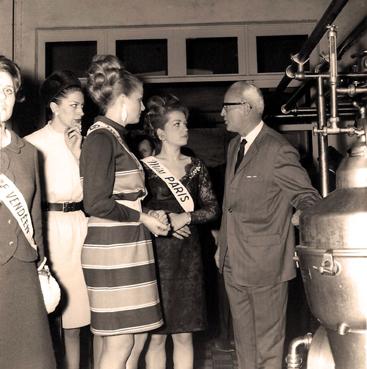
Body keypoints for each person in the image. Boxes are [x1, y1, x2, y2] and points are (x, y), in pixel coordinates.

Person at [215, 81, 321, 369]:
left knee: (268, 347)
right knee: (244, 344)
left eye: (227, 106)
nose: (222, 112)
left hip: (267, 264)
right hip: (232, 261)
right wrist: (222, 246)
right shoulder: (235, 146)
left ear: (247, 107)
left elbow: (309, 199)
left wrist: (290, 223)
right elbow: (230, 205)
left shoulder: (277, 150)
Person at [80, 54, 169, 369]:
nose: (143, 108)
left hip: (128, 246)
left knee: (135, 340)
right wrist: (142, 217)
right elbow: (95, 202)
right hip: (112, 250)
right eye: (139, 100)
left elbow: (123, 196)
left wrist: (148, 215)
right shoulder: (101, 139)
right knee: (120, 344)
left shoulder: (115, 137)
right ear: (121, 100)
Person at [142, 94, 219, 369]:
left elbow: (212, 208)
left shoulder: (196, 166)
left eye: (185, 123)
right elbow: (136, 210)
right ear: (161, 133)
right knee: (157, 336)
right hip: (157, 253)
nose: (185, 129)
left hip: (188, 256)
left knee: (185, 334)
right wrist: (159, 221)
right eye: (177, 124)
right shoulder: (145, 168)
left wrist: (184, 217)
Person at [25, 70, 90, 369]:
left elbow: (96, 193)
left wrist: (79, 155)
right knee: (48, 316)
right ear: (53, 107)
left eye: (81, 106)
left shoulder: (89, 143)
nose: (80, 112)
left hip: (80, 225)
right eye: (73, 106)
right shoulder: (31, 144)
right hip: (48, 229)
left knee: (77, 317)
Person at [0, 55, 56, 369]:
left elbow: (35, 217)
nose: (2, 98)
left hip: (22, 272)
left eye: (8, 91)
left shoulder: (28, 153)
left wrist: (41, 265)